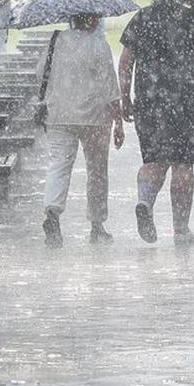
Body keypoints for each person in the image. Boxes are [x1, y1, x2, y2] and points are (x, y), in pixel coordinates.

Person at [119, 0, 194, 245]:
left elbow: (126, 61)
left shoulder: (141, 18)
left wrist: (124, 96)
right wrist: (193, 50)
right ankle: (181, 229)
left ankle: (144, 200)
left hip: (150, 100)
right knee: (183, 164)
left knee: (154, 159)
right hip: (188, 101)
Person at [40, 13, 124, 249]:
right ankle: (97, 226)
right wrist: (118, 122)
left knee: (58, 166)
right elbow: (110, 87)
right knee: (97, 171)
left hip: (59, 115)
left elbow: (41, 76)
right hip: (94, 117)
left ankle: (52, 214)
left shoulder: (55, 41)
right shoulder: (99, 45)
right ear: (93, 20)